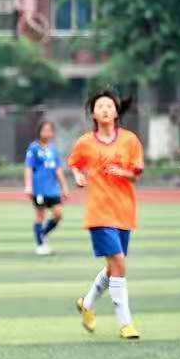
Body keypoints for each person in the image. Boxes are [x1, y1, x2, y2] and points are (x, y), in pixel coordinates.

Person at [69, 90, 144, 340]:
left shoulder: (130, 140)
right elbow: (75, 164)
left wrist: (123, 173)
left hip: (124, 211)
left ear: (116, 112)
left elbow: (136, 174)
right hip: (99, 213)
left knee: (114, 267)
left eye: (109, 106)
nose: (105, 109)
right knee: (120, 263)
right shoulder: (85, 143)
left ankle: (87, 303)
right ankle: (126, 323)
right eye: (100, 106)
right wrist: (78, 177)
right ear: (93, 113)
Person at [24, 121, 69, 256]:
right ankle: (41, 245)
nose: (47, 133)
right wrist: (28, 186)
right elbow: (28, 168)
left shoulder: (53, 149)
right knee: (40, 216)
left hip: (53, 189)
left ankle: (42, 234)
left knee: (58, 214)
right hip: (39, 189)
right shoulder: (33, 148)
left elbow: (58, 169)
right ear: (39, 132)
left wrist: (64, 187)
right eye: (44, 130)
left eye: (50, 130)